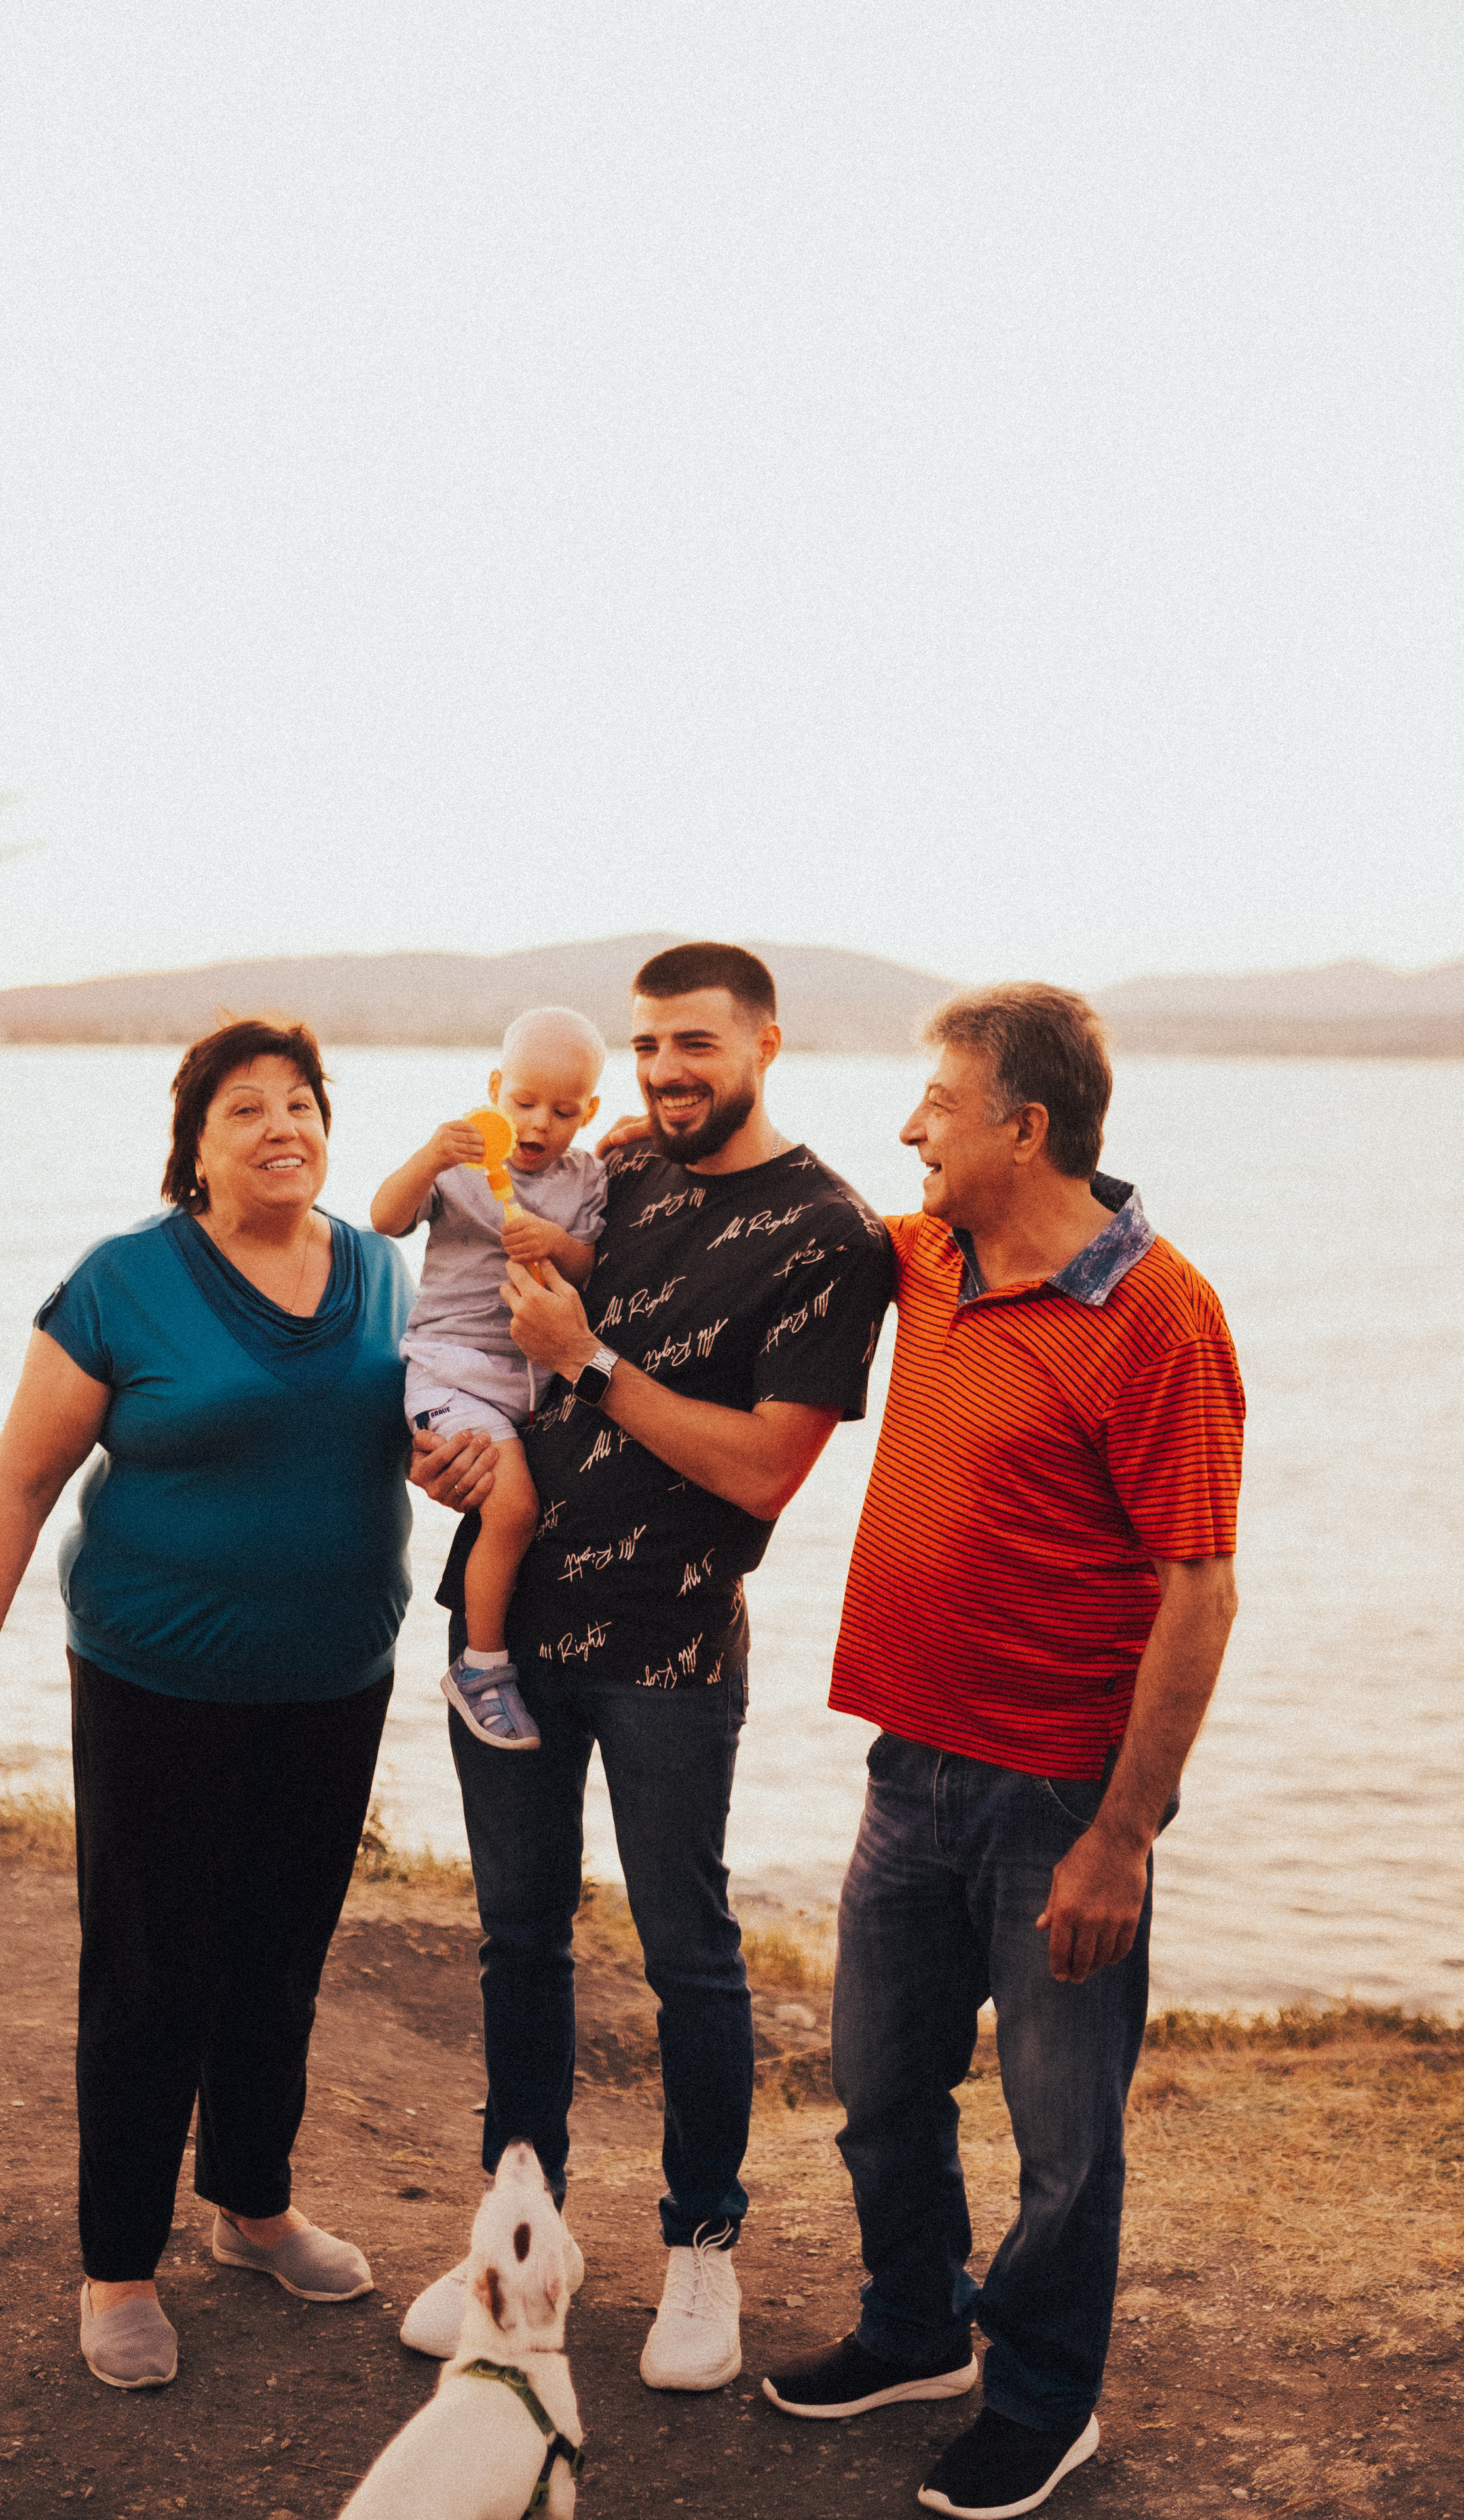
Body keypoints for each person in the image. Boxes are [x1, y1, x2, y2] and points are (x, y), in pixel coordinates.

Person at [761, 986, 1243, 2520]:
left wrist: (1122, 1834)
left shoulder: (1162, 1315)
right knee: (877, 2086)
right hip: (911, 1768)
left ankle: (1042, 2398)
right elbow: (773, 1204)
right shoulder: (924, 1257)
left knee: (1060, 2142)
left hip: (1058, 1799)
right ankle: (914, 2330)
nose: (906, 1126)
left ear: (1019, 1125)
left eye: (933, 1101)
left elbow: (1196, 1587)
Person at [400, 942, 895, 2393]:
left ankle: (700, 2247)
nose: (668, 1071)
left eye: (695, 1044)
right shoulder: (617, 1167)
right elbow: (485, 1331)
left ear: (765, 1043)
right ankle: (517, 2232)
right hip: (506, 1629)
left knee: (687, 1955)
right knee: (515, 1940)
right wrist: (454, 1454)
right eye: (648, 1047)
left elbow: (758, 1473)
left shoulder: (828, 1235)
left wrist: (592, 1356)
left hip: (669, 1644)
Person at [0, 1018, 415, 2392]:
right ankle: (119, 2264)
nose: (281, 1126)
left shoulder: (384, 1273)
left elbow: (446, 1423)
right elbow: (17, 1486)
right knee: (151, 1971)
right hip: (156, 1685)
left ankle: (253, 2206)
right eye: (244, 1107)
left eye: (302, 1103)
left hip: (333, 1681)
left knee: (281, 1954)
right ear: (193, 1145)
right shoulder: (123, 1284)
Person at [369, 1007, 609, 1752]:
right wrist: (429, 1157)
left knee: (526, 1512)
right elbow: (385, 1216)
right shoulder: (462, 1167)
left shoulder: (586, 1178)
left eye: (564, 1111)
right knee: (513, 1512)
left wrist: (558, 1244)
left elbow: (593, 1266)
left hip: (532, 1385)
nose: (539, 1123)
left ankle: (493, 1658)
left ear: (590, 1112)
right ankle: (481, 1666)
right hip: (452, 1372)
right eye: (525, 1103)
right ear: (496, 1088)